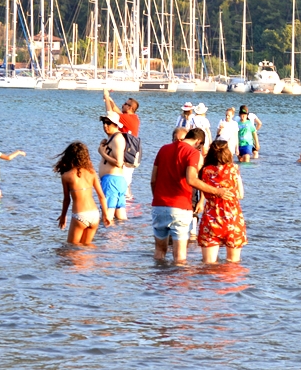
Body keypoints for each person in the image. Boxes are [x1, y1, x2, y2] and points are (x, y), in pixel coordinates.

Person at [151, 127, 224, 264]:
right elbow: (191, 179)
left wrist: (157, 198)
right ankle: (178, 285)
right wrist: (217, 191)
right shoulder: (193, 153)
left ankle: (158, 284)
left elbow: (153, 180)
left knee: (159, 252)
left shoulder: (163, 149)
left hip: (159, 205)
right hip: (180, 207)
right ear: (198, 141)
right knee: (180, 257)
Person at [197, 140, 247, 264]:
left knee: (208, 265)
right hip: (232, 218)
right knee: (233, 264)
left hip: (211, 218)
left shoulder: (205, 171)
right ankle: (228, 283)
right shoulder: (234, 169)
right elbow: (240, 195)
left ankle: (212, 283)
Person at [55, 141, 110, 245]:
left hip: (80, 215)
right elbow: (101, 196)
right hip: (94, 215)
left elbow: (67, 200)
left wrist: (63, 216)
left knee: (72, 248)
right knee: (86, 247)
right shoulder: (91, 173)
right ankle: (98, 259)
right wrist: (106, 215)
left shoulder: (66, 176)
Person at [104, 89, 141, 202]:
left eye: (125, 104)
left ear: (130, 108)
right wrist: (110, 99)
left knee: (123, 183)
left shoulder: (128, 118)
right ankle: (127, 206)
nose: (123, 104)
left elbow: (110, 114)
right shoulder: (133, 118)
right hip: (130, 155)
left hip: (126, 155)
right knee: (126, 183)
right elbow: (116, 110)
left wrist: (106, 97)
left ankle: (126, 207)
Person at [97, 111, 129, 223]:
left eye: (108, 123)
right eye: (104, 123)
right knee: (120, 218)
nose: (105, 126)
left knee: (107, 217)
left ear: (115, 124)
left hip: (112, 181)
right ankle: (120, 239)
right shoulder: (112, 138)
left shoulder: (117, 139)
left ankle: (106, 240)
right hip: (115, 181)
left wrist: (102, 153)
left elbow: (119, 163)